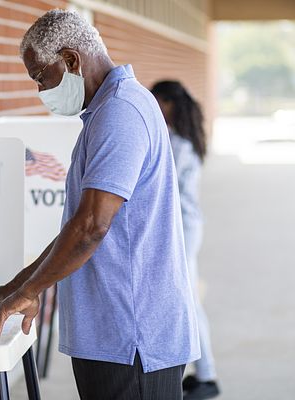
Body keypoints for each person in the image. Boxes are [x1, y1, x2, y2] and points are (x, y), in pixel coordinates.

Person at [0, 9, 200, 400]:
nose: (41, 91)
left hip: (132, 338)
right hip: (115, 336)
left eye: (42, 77)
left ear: (71, 59)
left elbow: (92, 227)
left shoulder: (121, 112)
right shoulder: (108, 110)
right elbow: (76, 228)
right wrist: (18, 286)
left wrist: (31, 290)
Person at [151, 80, 221, 400]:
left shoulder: (177, 144)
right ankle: (200, 372)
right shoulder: (182, 139)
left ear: (167, 103)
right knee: (186, 299)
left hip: (183, 228)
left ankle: (207, 377)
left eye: (156, 101)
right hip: (185, 226)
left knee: (189, 302)